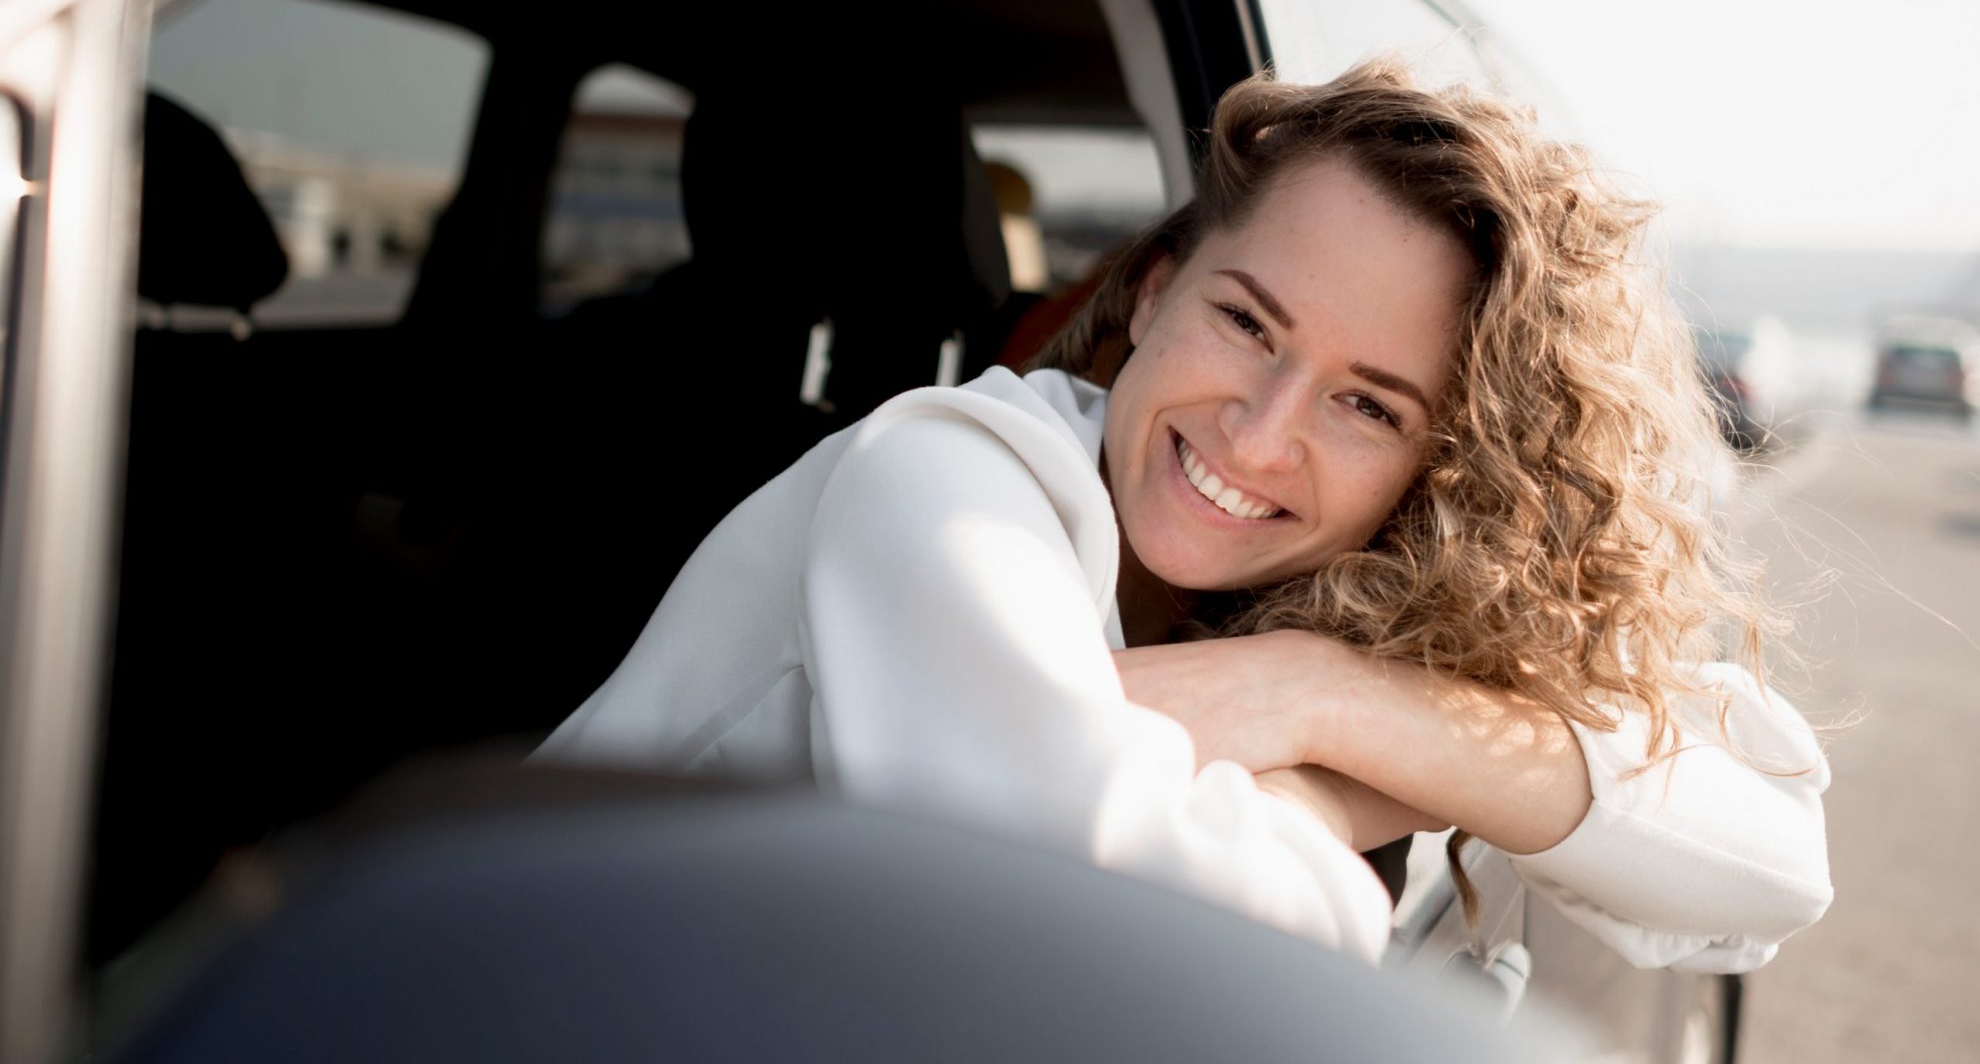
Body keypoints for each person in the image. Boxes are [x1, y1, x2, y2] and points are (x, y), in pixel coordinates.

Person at [535, 60, 1831, 970]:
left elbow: (1772, 852)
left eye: (1368, 407)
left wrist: (1320, 691)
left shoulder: (1347, 612)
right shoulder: (942, 472)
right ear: (1153, 293)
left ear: (1438, 470)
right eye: (1246, 321)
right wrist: (1337, 799)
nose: (1258, 433)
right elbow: (1115, 955)